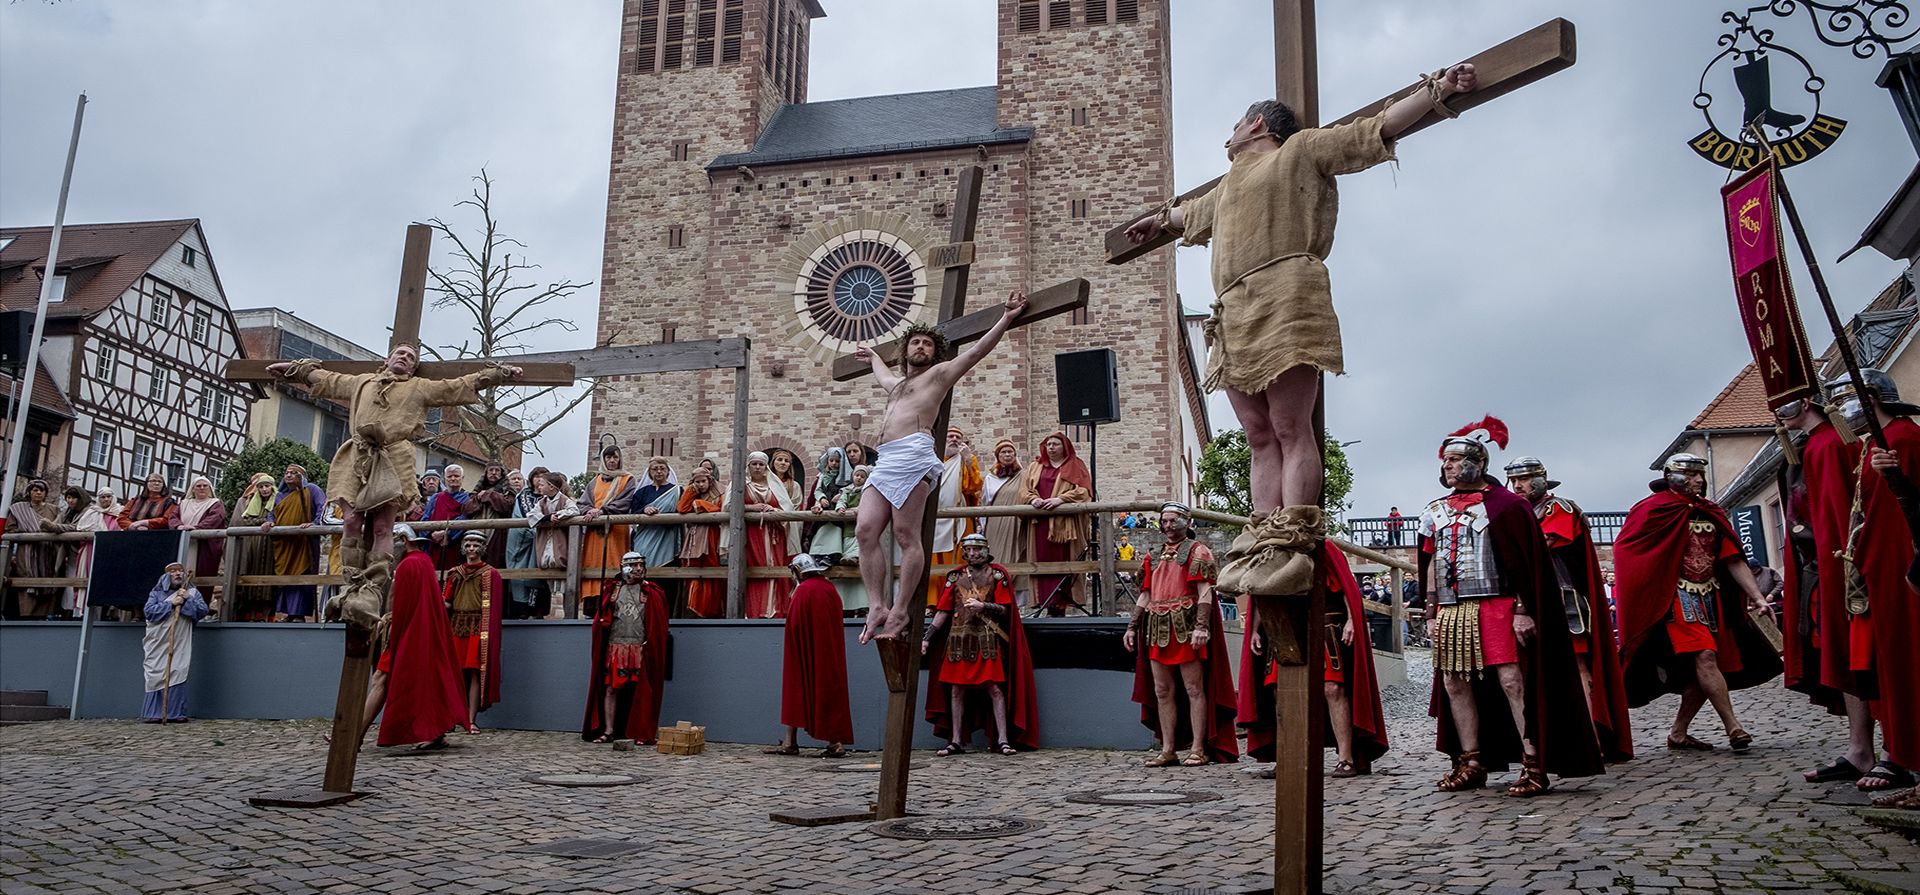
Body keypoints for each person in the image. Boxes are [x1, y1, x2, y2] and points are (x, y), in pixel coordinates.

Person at [1122, 64, 1480, 547]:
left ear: (1256, 125)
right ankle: (1265, 531)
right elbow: (1186, 215)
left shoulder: (1300, 150)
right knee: (1257, 434)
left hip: (1288, 295)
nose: (1228, 135)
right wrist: (1157, 221)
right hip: (1233, 312)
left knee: (1291, 426)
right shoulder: (1225, 188)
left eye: (1235, 124)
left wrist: (1438, 90)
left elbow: (1374, 130)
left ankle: (1294, 532)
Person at [265, 344, 521, 632]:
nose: (405, 358)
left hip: (394, 455)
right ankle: (351, 586)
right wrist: (295, 370)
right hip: (358, 454)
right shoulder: (363, 381)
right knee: (351, 519)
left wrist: (496, 375)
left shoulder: (419, 387)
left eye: (411, 357)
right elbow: (328, 380)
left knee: (382, 528)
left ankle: (372, 590)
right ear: (388, 358)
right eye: (400, 353)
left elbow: (456, 386)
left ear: (413, 367)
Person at [1420, 419, 1602, 796]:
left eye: (1455, 460)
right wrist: (1431, 610)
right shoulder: (1435, 510)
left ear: (1477, 462)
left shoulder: (1507, 507)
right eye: (1445, 461)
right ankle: (1471, 761)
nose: (1447, 467)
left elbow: (1523, 565)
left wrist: (1522, 608)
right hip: (1452, 609)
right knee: (1455, 682)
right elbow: (1431, 563)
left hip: (1498, 605)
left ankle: (1533, 760)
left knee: (1512, 680)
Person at [852, 290, 1028, 642]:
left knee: (905, 535)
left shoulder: (939, 376)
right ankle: (876, 605)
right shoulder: (898, 386)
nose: (920, 348)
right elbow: (883, 375)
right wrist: (873, 355)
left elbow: (977, 351)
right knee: (864, 531)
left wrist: (1006, 318)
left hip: (914, 456)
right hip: (885, 460)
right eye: (915, 343)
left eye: (926, 344)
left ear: (936, 353)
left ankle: (900, 609)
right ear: (906, 350)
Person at [1612, 453, 1779, 754]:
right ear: (1671, 476)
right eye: (1690, 474)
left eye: (1699, 474)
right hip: (1674, 599)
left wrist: (1756, 597)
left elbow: (1732, 558)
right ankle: (1734, 727)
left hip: (1713, 598)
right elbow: (1630, 554)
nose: (1698, 480)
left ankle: (1678, 733)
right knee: (1705, 657)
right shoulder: (1652, 510)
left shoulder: (1711, 512)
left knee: (1702, 670)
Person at [1504, 456, 1634, 763]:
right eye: (1513, 481)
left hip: (1563, 601)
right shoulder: (1521, 513)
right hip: (1529, 600)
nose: (1517, 486)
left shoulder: (1558, 508)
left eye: (1523, 479)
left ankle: (1591, 739)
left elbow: (1541, 546)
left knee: (1577, 669)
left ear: (1540, 479)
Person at [1829, 371, 1920, 806]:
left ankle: (1905, 756)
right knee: (1888, 666)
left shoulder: (1904, 438)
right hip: (1880, 573)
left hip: (1906, 573)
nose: (1838, 411)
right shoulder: (1873, 445)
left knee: (1909, 663)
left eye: (1844, 399)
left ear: (1870, 397)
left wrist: (1899, 475)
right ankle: (1899, 752)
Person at [1239, 540, 1390, 778]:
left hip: (1326, 626)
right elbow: (1261, 591)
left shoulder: (1325, 547)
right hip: (1285, 629)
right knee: (1281, 690)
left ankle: (1346, 759)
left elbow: (1347, 587)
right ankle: (1290, 756)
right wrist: (1256, 629)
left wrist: (1352, 620)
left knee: (1333, 689)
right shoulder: (1274, 550)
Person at [1125, 502, 1237, 767]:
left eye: (1173, 521)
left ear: (1187, 522)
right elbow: (1146, 594)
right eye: (1164, 521)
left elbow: (1205, 592)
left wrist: (1201, 626)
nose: (1167, 526)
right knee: (1162, 690)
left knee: (1193, 688)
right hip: (1156, 627)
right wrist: (1132, 626)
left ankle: (1198, 748)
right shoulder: (1154, 555)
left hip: (1185, 627)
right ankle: (1168, 748)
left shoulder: (1198, 551)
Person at [923, 533, 1038, 754]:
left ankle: (1003, 739)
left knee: (994, 688)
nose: (973, 553)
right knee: (956, 690)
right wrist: (927, 639)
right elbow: (943, 611)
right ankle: (956, 740)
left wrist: (984, 607)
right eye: (969, 549)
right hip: (958, 640)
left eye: (977, 549)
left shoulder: (996, 575)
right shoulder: (955, 576)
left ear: (985, 550)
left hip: (986, 639)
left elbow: (1006, 609)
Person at [355, 525, 465, 751]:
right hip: (418, 633)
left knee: (380, 680)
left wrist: (390, 629)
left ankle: (353, 736)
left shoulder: (409, 565)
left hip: (408, 635)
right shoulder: (423, 561)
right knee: (410, 681)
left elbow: (401, 607)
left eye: (390, 542)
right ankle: (356, 735)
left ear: (403, 540)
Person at [768, 553, 853, 757]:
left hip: (804, 650)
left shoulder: (804, 590)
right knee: (829, 691)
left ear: (798, 570)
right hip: (830, 652)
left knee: (796, 691)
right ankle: (834, 742)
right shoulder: (830, 588)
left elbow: (795, 624)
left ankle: (794, 742)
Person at [584, 552, 669, 744]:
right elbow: (601, 618)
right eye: (635, 565)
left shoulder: (652, 592)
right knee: (611, 689)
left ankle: (639, 732)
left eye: (641, 565)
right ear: (625, 568)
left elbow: (659, 624)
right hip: (616, 647)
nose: (639, 569)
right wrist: (602, 622)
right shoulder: (612, 590)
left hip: (640, 648)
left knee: (641, 691)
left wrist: (650, 641)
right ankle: (608, 730)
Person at [1020, 431, 1093, 614]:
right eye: (1048, 444)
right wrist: (1033, 500)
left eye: (1055, 444)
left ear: (1065, 447)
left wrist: (1061, 499)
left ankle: (1062, 603)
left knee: (1065, 561)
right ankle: (1044, 602)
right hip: (1040, 525)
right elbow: (1024, 490)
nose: (1051, 447)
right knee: (1041, 561)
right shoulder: (1035, 466)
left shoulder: (1076, 465)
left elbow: (1084, 492)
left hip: (1066, 526)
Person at [442, 531, 505, 734]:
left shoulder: (490, 573)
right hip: (457, 625)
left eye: (476, 545)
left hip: (479, 626)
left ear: (482, 548)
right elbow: (447, 602)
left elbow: (494, 608)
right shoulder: (455, 573)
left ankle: (470, 720)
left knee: (475, 673)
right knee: (455, 675)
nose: (471, 549)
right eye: (468, 545)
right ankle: (452, 717)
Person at [729, 451, 799, 618]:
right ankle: (753, 610)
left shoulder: (775, 485)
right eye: (754, 464)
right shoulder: (740, 485)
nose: (758, 467)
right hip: (751, 535)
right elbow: (728, 506)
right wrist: (750, 508)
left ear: (766, 466)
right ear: (749, 466)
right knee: (755, 570)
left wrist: (774, 510)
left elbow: (786, 508)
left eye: (761, 464)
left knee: (776, 567)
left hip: (775, 535)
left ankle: (776, 610)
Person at [578, 437, 639, 618]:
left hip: (616, 530)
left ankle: (613, 601)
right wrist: (590, 511)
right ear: (604, 460)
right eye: (608, 458)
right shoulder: (594, 481)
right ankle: (592, 606)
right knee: (592, 564)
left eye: (615, 458)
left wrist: (602, 510)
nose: (612, 461)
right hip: (594, 533)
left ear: (620, 459)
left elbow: (625, 502)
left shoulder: (627, 479)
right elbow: (583, 503)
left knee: (613, 563)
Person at [140, 562, 208, 722]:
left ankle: (175, 712)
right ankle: (154, 713)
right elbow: (149, 612)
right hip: (158, 641)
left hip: (180, 640)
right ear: (166, 576)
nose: (177, 574)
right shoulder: (156, 593)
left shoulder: (192, 593)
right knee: (155, 673)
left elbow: (202, 611)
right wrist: (171, 603)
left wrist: (186, 600)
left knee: (177, 670)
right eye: (173, 571)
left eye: (180, 571)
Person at [926, 426, 983, 605]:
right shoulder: (932, 460)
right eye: (950, 436)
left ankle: (958, 599)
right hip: (934, 518)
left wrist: (967, 461)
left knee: (959, 559)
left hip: (959, 518)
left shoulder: (966, 459)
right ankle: (934, 602)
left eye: (958, 437)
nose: (954, 439)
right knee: (934, 559)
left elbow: (974, 487)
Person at [269, 464, 327, 622]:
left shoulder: (312, 490)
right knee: (286, 576)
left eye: (294, 473)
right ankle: (287, 613)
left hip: (304, 542)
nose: (288, 475)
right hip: (285, 544)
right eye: (286, 473)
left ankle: (299, 614)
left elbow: (322, 507)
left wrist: (314, 524)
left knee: (303, 575)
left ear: (302, 477)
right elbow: (272, 514)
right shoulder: (280, 495)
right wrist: (270, 523)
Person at [979, 437, 1030, 605]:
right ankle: (995, 599)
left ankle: (1016, 603)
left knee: (1017, 556)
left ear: (1015, 455)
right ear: (998, 456)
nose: (1007, 455)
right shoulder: (990, 479)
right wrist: (983, 525)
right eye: (1003, 452)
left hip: (1017, 522)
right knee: (996, 558)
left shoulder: (1024, 475)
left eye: (1010, 452)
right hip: (996, 523)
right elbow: (985, 502)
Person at [5, 480, 61, 619]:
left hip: (47, 551)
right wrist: (29, 531)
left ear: (45, 493)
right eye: (35, 490)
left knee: (47, 580)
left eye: (41, 490)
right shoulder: (19, 509)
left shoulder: (54, 509)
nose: (38, 493)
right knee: (26, 580)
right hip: (26, 551)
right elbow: (10, 528)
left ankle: (44, 616)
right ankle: (25, 615)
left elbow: (59, 526)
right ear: (29, 492)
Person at [46, 486, 105, 618]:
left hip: (86, 551)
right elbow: (56, 524)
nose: (70, 501)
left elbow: (78, 528)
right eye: (68, 498)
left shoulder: (90, 511)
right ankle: (68, 611)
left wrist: (56, 527)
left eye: (74, 498)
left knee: (83, 582)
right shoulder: (68, 512)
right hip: (71, 552)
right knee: (70, 582)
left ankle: (83, 614)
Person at [228, 473, 279, 622]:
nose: (264, 489)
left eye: (267, 486)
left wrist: (266, 522)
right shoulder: (251, 502)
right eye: (261, 487)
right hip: (253, 543)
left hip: (270, 544)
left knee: (269, 575)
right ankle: (251, 612)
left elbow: (278, 518)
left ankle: (267, 613)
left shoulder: (278, 501)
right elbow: (246, 521)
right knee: (251, 570)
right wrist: (263, 521)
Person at [676, 465, 726, 618]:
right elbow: (682, 508)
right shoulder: (693, 492)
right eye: (696, 482)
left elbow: (721, 510)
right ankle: (693, 608)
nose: (700, 485)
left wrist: (700, 504)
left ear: (709, 480)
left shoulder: (720, 492)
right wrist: (692, 491)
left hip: (712, 536)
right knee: (693, 571)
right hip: (695, 537)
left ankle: (712, 609)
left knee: (712, 571)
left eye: (703, 481)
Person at [526, 471, 576, 616]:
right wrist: (547, 517)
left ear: (552, 487)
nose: (539, 487)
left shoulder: (564, 500)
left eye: (542, 484)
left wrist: (559, 515)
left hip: (559, 540)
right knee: (546, 573)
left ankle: (567, 613)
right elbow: (531, 515)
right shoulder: (542, 502)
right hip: (545, 540)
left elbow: (574, 510)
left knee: (564, 577)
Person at [826, 465, 871, 613]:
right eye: (856, 475)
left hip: (863, 525)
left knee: (860, 544)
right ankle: (848, 557)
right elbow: (842, 500)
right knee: (848, 542)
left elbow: (870, 504)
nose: (858, 478)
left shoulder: (868, 491)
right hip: (849, 528)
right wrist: (840, 508)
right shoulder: (847, 490)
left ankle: (856, 557)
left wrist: (860, 509)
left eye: (862, 476)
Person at [628, 456, 684, 570]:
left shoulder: (677, 491)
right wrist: (644, 510)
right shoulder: (641, 493)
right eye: (655, 469)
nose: (659, 471)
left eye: (662, 468)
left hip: (667, 537)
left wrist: (663, 517)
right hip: (644, 537)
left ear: (668, 471)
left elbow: (681, 511)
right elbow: (633, 512)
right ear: (649, 472)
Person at [504, 468, 546, 619]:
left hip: (542, 542)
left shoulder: (550, 497)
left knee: (539, 572)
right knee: (519, 573)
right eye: (537, 476)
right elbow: (521, 515)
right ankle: (521, 608)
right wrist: (533, 531)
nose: (539, 479)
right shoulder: (523, 496)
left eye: (543, 477)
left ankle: (536, 608)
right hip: (523, 539)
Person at [177, 475, 227, 601]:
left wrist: (196, 528)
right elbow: (173, 517)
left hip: (204, 545)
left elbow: (215, 518)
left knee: (202, 574)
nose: (202, 488)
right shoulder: (184, 503)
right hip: (184, 542)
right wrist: (178, 526)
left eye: (205, 486)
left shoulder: (215, 503)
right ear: (193, 489)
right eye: (198, 486)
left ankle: (199, 605)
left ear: (210, 488)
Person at [420, 464, 472, 571]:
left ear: (462, 478)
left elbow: (465, 519)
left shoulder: (468, 499)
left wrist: (447, 534)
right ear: (445, 479)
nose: (453, 479)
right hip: (433, 544)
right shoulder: (436, 497)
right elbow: (425, 519)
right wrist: (432, 534)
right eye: (449, 476)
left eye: (456, 476)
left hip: (454, 544)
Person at [465, 464, 516, 569]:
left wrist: (490, 495)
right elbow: (466, 509)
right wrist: (479, 498)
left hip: (497, 534)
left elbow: (507, 507)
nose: (493, 473)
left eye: (497, 470)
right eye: (491, 470)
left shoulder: (508, 492)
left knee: (494, 564)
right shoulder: (476, 492)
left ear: (501, 474)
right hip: (476, 531)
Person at [770, 447, 807, 555]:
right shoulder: (766, 483)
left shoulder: (794, 486)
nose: (783, 463)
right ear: (773, 463)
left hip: (787, 525)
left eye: (786, 461)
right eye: (779, 459)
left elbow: (795, 506)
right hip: (770, 523)